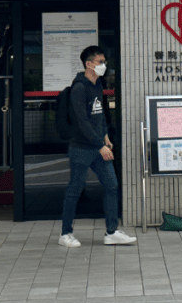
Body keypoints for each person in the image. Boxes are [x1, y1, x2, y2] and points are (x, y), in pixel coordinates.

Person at [58, 46, 137, 248]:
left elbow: (99, 114)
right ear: (89, 64)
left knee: (112, 185)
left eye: (104, 61)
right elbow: (82, 121)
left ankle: (111, 232)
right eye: (100, 62)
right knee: (74, 190)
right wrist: (99, 144)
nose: (104, 66)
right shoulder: (79, 88)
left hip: (98, 145)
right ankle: (65, 234)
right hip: (81, 149)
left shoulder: (97, 84)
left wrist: (104, 135)